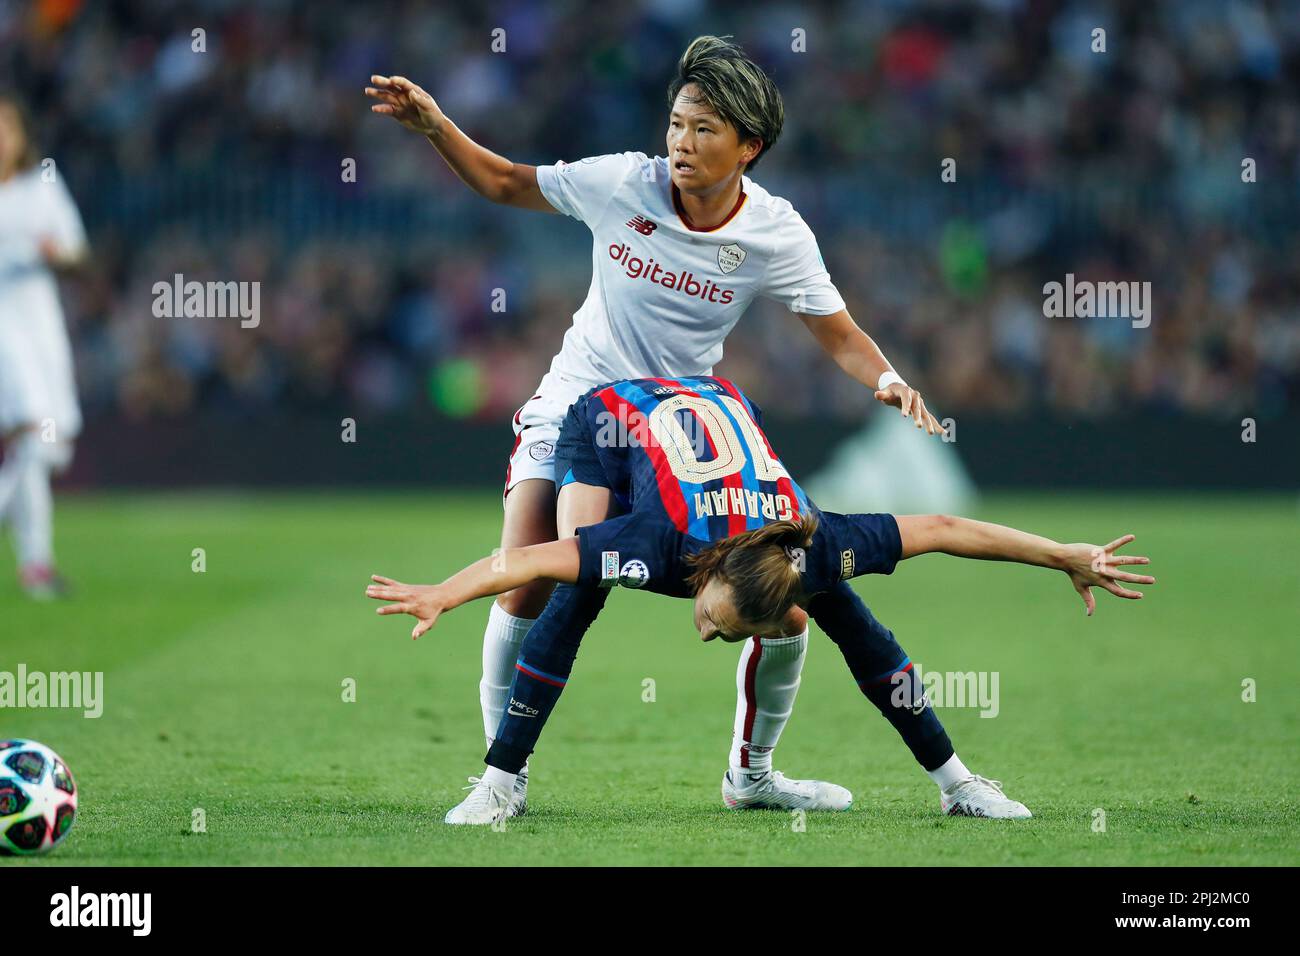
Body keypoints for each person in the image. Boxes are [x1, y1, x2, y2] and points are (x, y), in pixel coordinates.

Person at [367, 36, 946, 814]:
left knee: (786, 604)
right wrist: (437, 127)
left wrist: (889, 380)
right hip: (578, 406)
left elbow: (838, 334)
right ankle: (502, 779)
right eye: (676, 123)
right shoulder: (620, 184)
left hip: (677, 432)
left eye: (704, 129)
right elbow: (504, 181)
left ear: (749, 147)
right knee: (533, 578)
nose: (681, 142)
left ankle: (753, 776)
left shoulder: (774, 231)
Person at [366, 376, 1155, 824]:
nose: (704, 635)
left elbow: (945, 528)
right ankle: (502, 779)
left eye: (720, 630)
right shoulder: (656, 542)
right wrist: (444, 593)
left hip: (727, 414)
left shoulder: (817, 546)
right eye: (716, 618)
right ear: (707, 571)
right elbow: (526, 559)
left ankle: (952, 785)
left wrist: (1064, 555)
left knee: (849, 621)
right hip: (611, 421)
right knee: (581, 586)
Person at [0, 94, 87, 598]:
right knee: (33, 434)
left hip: (41, 327)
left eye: (6, 128)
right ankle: (36, 565)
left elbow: (77, 250)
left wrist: (55, 252)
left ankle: (36, 563)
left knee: (51, 449)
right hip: (3, 333)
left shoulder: (42, 187)